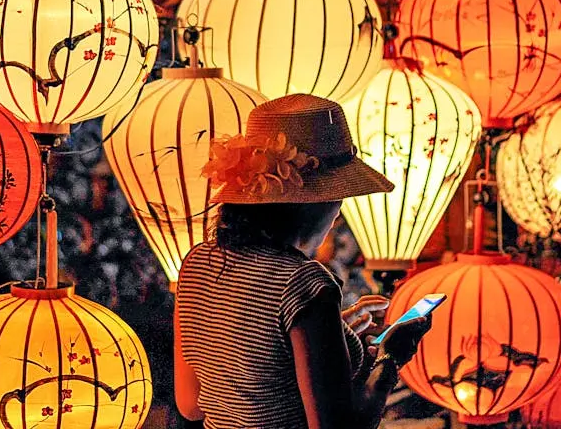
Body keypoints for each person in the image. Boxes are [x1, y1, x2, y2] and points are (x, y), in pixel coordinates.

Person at [174, 94, 433, 429]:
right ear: (318, 202)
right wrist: (391, 359)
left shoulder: (197, 263)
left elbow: (191, 405)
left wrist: (332, 335)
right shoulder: (305, 284)